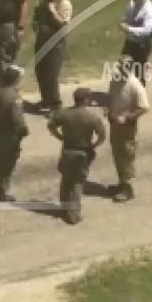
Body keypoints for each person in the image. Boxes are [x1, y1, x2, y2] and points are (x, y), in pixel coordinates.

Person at [48, 87, 106, 225]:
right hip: (83, 153)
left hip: (67, 150)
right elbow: (102, 136)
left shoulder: (64, 113)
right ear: (86, 100)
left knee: (66, 181)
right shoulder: (92, 117)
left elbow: (51, 125)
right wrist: (93, 145)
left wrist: (60, 137)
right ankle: (73, 215)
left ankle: (64, 208)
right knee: (77, 184)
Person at [105, 55, 150, 202]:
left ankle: (128, 189)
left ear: (130, 67)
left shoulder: (135, 84)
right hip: (114, 124)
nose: (121, 69)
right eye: (120, 66)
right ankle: (121, 183)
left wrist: (128, 117)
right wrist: (109, 109)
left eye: (124, 66)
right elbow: (111, 97)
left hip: (126, 127)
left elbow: (144, 107)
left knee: (126, 156)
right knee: (117, 155)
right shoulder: (116, 80)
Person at [0, 65, 30, 201]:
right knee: (7, 165)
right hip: (10, 136)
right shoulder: (14, 97)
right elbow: (18, 120)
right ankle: (1, 192)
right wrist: (24, 132)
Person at [32, 0, 73, 113]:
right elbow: (37, 15)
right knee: (40, 71)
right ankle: (46, 99)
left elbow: (63, 24)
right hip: (42, 40)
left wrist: (53, 11)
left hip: (55, 44)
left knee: (51, 74)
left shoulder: (64, 3)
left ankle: (55, 104)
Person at [119, 0, 152, 86]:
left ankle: (139, 95)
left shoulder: (149, 11)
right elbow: (127, 14)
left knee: (139, 72)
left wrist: (128, 29)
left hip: (141, 45)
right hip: (130, 41)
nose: (133, 1)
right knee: (122, 66)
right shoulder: (133, 3)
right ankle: (123, 92)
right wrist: (125, 20)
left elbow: (146, 31)